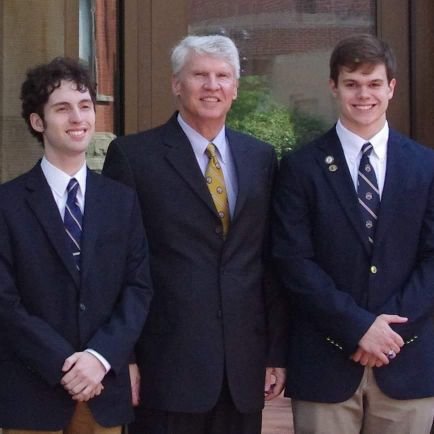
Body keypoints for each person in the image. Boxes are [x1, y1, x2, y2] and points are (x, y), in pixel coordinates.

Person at [102, 34, 287, 434]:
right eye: (199, 74)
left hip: (242, 367)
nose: (212, 85)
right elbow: (115, 264)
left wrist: (275, 351)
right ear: (176, 84)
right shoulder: (133, 157)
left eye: (223, 76)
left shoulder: (261, 158)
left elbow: (268, 260)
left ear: (235, 88)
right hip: (165, 367)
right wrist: (125, 356)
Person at [273, 33, 434, 434]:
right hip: (326, 363)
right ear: (334, 86)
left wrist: (389, 333)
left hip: (407, 362)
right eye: (352, 83)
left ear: (391, 87)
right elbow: (294, 262)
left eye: (374, 83)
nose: (364, 95)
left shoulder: (426, 166)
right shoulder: (299, 168)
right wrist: (358, 327)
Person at [0, 57, 153, 434]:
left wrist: (100, 358)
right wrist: (64, 364)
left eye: (85, 106)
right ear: (38, 122)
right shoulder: (7, 203)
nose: (78, 118)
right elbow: (4, 301)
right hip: (31, 393)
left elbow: (138, 288)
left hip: (102, 389)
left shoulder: (122, 201)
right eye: (63, 108)